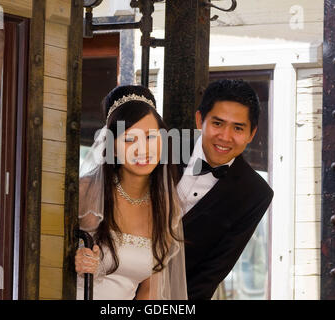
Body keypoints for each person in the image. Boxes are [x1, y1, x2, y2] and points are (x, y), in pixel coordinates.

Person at [75, 85, 187, 300]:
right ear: (112, 147)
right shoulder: (85, 191)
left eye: (150, 137)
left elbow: (149, 290)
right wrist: (74, 259)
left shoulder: (166, 208)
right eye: (129, 139)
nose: (142, 149)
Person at [177, 79, 274, 300]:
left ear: (251, 134)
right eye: (218, 123)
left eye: (238, 128)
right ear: (200, 119)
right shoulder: (163, 147)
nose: (225, 137)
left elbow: (214, 270)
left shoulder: (255, 194)